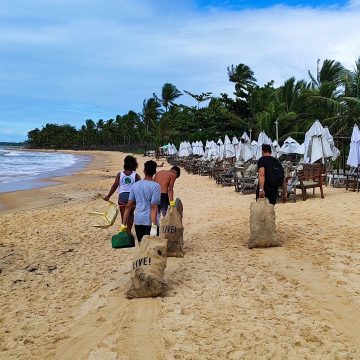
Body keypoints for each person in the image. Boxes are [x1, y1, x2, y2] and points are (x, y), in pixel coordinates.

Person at [120, 160, 161, 243]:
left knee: (141, 246)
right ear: (155, 172)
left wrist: (123, 225)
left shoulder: (135, 185)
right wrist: (154, 226)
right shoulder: (156, 186)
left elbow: (128, 206)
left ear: (144, 171)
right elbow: (153, 207)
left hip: (138, 220)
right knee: (151, 248)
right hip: (149, 221)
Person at [104, 155, 140, 233]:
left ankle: (123, 230)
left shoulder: (120, 174)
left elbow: (114, 186)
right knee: (130, 214)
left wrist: (108, 196)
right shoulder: (136, 175)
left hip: (122, 198)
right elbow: (140, 188)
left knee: (123, 214)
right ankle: (129, 231)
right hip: (132, 198)